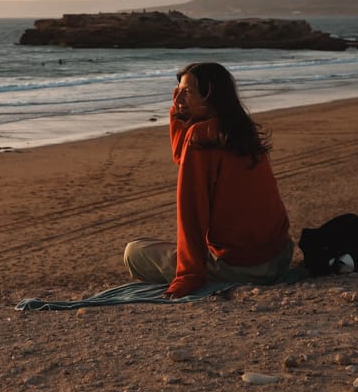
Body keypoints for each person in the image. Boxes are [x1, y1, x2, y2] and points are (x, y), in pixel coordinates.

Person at [123, 62, 293, 298]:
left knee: (135, 251)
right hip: (280, 257)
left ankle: (198, 270)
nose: (179, 98)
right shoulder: (241, 129)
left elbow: (191, 212)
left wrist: (188, 275)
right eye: (178, 91)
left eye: (188, 92)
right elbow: (180, 156)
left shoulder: (200, 136)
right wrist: (180, 108)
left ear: (210, 96)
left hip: (243, 268)